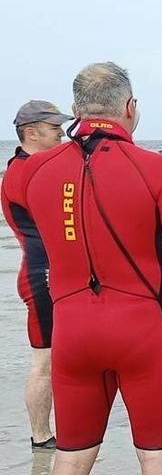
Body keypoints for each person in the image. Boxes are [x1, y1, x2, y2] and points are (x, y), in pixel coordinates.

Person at [7, 62, 162, 475]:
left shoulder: (34, 172)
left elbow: (47, 238)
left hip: (72, 329)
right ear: (130, 107)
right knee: (158, 456)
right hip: (143, 329)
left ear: (76, 109)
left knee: (71, 456)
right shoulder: (157, 168)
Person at [1, 101, 74, 451]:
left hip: (52, 273)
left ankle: (66, 425)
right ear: (32, 132)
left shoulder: (33, 166)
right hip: (40, 275)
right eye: (55, 126)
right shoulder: (23, 171)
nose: (62, 131)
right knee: (43, 360)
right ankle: (41, 436)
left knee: (61, 356)